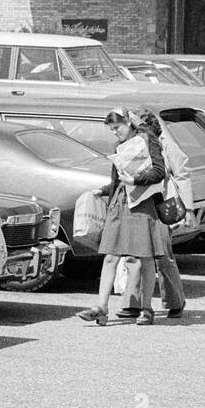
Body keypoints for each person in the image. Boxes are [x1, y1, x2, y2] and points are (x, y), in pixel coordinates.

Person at [77, 107, 171, 326]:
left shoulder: (147, 140)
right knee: (110, 256)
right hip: (121, 203)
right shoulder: (120, 146)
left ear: (128, 123)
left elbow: (159, 171)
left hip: (142, 203)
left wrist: (136, 180)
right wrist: (104, 190)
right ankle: (101, 307)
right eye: (111, 129)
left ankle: (146, 309)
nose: (115, 133)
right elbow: (119, 178)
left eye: (117, 127)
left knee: (145, 257)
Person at [117, 113, 187, 320]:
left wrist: (189, 210)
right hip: (138, 203)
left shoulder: (164, 145)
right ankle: (132, 303)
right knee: (134, 255)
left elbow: (181, 174)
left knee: (162, 255)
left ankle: (175, 301)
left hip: (160, 205)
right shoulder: (130, 145)